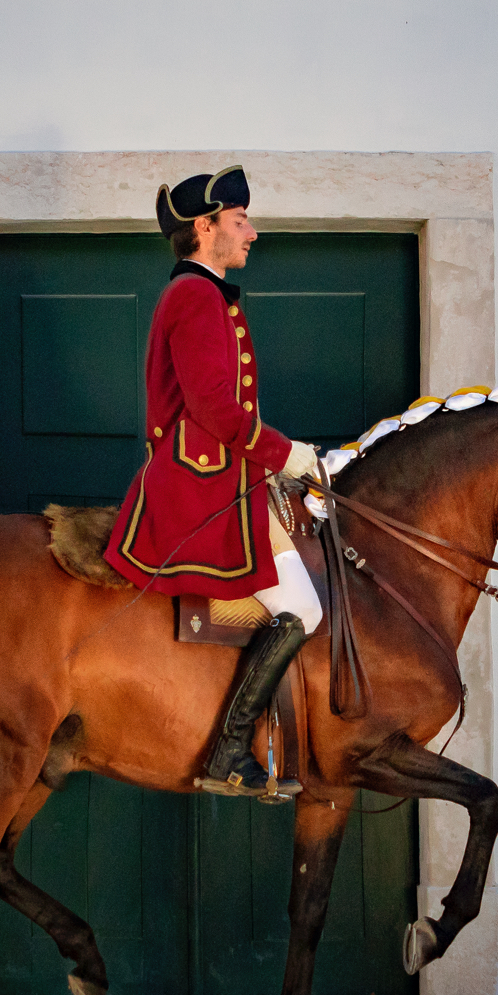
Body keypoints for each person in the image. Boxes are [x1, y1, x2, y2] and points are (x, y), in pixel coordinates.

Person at [104, 165, 323, 796]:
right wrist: (287, 455)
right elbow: (215, 410)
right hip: (201, 487)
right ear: (205, 228)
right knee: (303, 607)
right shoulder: (196, 297)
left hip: (222, 475)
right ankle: (229, 752)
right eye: (239, 220)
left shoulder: (205, 294)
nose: (251, 232)